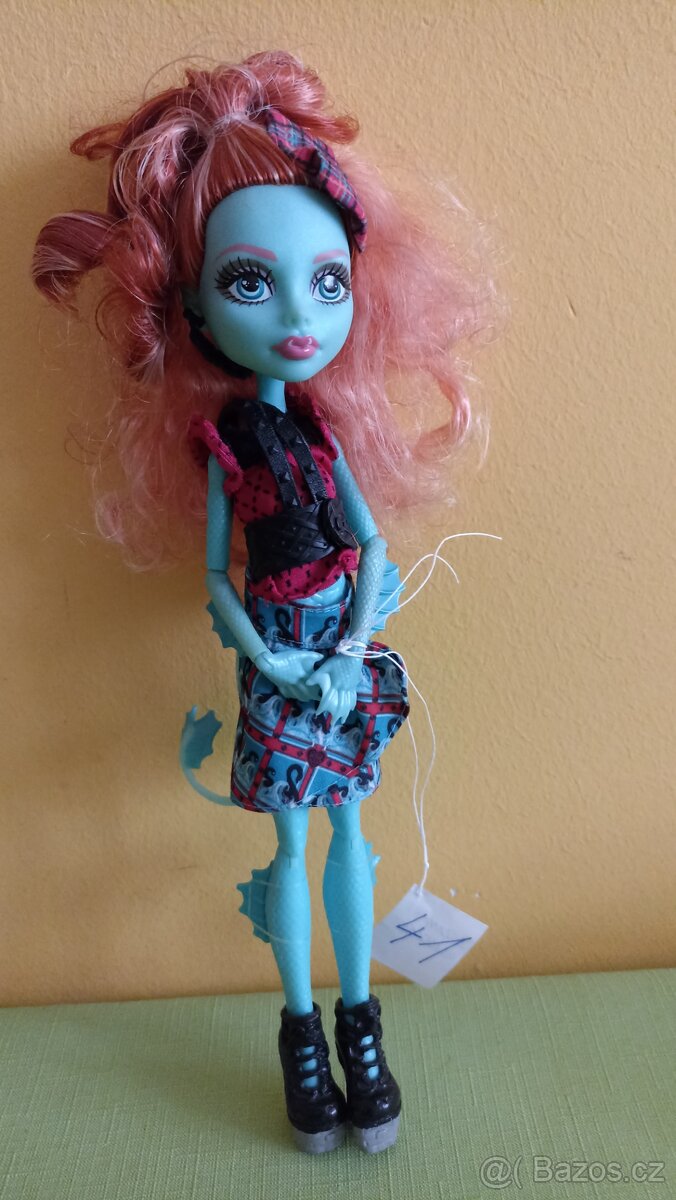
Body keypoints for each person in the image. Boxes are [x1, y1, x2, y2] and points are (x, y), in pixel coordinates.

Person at [31, 50, 496, 1155]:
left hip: (338, 648)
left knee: (352, 839)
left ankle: (360, 1025)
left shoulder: (325, 437)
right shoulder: (226, 446)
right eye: (252, 282)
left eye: (327, 282)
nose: (298, 314)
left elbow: (369, 542)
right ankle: (301, 1035)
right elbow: (214, 577)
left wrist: (351, 639)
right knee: (292, 846)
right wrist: (277, 660)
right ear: (190, 303)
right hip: (280, 657)